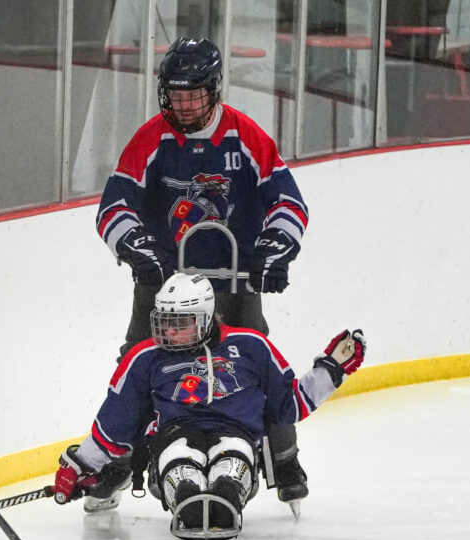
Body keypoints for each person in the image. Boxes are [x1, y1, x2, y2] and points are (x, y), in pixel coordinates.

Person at [93, 36, 311, 510]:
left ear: (213, 91)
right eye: (176, 96)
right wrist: (135, 246)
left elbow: (288, 201)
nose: (184, 105)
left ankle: (285, 459)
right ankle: (116, 463)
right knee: (138, 364)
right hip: (166, 287)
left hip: (235, 282)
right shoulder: (150, 138)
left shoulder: (244, 136)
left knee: (260, 364)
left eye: (193, 95)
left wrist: (277, 247)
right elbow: (114, 205)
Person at [52, 273, 365, 537]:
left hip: (236, 434)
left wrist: (331, 369)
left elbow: (288, 405)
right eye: (164, 322)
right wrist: (80, 464)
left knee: (230, 472)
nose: (169, 331)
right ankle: (186, 498)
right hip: (173, 436)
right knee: (181, 470)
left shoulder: (250, 345)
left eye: (180, 323)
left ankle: (228, 495)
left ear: (204, 318)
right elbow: (115, 422)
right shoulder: (145, 356)